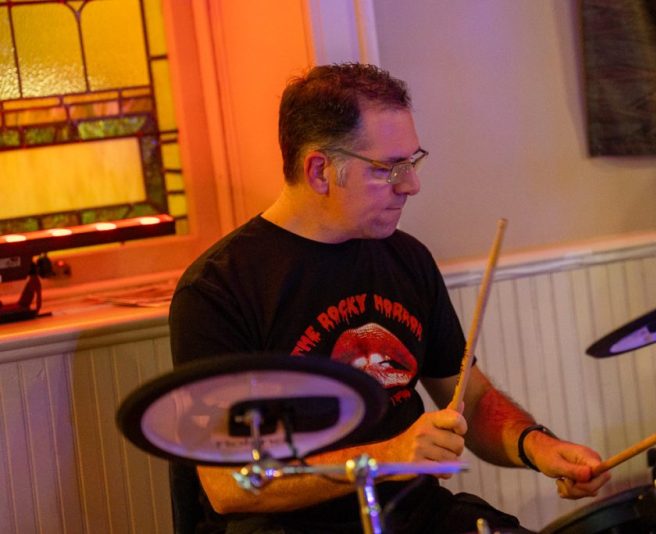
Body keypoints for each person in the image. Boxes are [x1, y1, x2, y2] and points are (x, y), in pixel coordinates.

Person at [169, 63, 610, 534]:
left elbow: (472, 398)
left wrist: (538, 447)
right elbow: (228, 485)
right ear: (319, 170)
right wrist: (388, 456)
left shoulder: (406, 258)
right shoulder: (218, 289)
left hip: (415, 515)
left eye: (412, 162)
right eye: (389, 169)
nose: (411, 185)